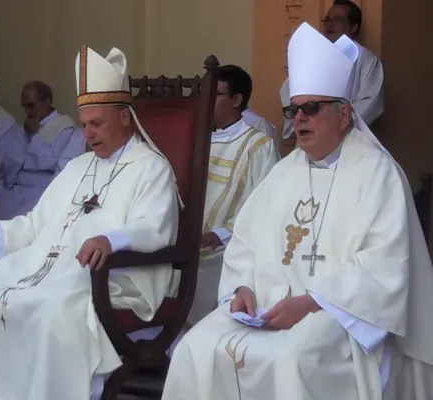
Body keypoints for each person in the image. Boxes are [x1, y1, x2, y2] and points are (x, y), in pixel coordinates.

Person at [162, 22, 433, 400]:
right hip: (266, 306)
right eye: (294, 109)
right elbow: (245, 242)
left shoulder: (378, 174)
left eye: (312, 109)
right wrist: (240, 289)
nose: (299, 118)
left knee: (291, 358)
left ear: (344, 115)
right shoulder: (285, 171)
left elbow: (385, 266)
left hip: (338, 314)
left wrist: (310, 303)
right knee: (194, 348)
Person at [0, 45, 180, 400]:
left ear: (125, 118)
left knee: (52, 312)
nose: (88, 134)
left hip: (113, 280)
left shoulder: (151, 168)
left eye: (96, 124)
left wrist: (110, 240)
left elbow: (153, 228)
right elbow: (37, 223)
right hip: (52, 270)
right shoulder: (77, 167)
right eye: (84, 125)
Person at [188, 64, 278, 325]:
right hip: (188, 238)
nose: (205, 102)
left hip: (225, 244)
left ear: (237, 100)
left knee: (198, 267)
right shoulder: (192, 139)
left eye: (215, 95)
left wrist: (219, 234)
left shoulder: (258, 146)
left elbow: (264, 208)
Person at [280, 0, 384, 142]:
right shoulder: (312, 56)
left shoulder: (366, 60)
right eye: (327, 20)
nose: (329, 24)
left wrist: (333, 124)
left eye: (338, 20)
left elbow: (371, 102)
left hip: (349, 138)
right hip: (311, 137)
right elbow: (289, 91)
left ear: (353, 27)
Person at [0, 80, 84, 221]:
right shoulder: (26, 126)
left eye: (31, 105)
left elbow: (51, 162)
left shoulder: (63, 126)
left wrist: (35, 136)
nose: (27, 112)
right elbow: (10, 162)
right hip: (14, 187)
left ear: (47, 101)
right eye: (24, 106)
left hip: (39, 189)